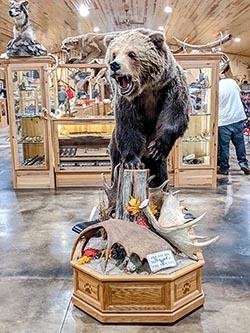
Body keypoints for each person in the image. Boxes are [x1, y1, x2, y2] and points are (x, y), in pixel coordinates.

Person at [218, 65, 250, 175]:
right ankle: (243, 164)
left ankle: (224, 168)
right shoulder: (231, 82)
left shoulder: (215, 88)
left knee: (224, 146)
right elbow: (239, 93)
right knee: (240, 143)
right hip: (237, 117)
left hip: (223, 121)